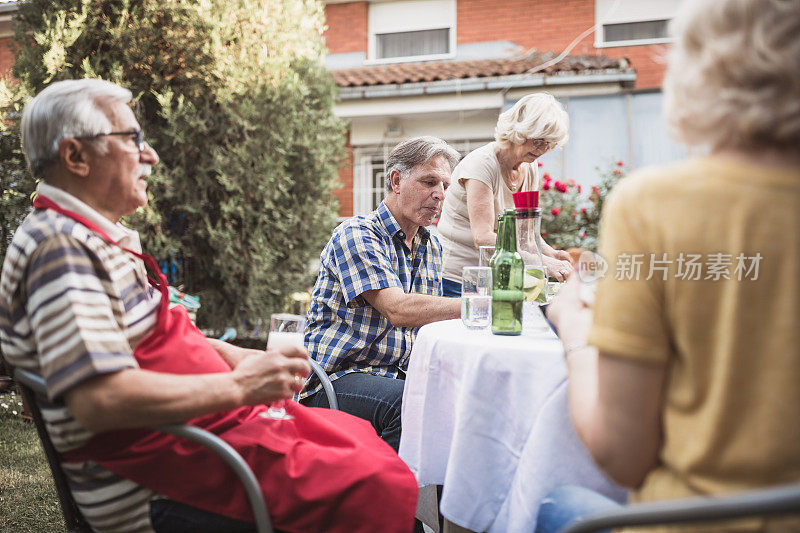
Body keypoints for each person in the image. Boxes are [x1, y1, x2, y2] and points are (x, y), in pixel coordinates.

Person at [0, 78, 419, 533]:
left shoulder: (89, 237)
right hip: (157, 480)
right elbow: (100, 400)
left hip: (197, 435)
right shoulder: (60, 248)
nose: (151, 155)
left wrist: (236, 356)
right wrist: (240, 387)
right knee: (368, 481)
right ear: (75, 156)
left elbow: (147, 337)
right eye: (131, 139)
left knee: (360, 444)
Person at [538, 0, 800, 530]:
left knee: (550, 504)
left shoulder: (655, 206)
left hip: (694, 519)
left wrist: (574, 330)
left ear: (702, 69)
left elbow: (623, 455)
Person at [300, 136, 462, 451]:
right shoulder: (357, 234)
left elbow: (430, 321)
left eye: (445, 185)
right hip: (335, 379)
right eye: (429, 181)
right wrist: (479, 305)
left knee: (464, 400)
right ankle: (385, 497)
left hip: (395, 376)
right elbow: (398, 309)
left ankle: (444, 502)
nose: (439, 194)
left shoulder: (432, 246)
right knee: (406, 406)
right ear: (396, 180)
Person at [437, 93, 573, 297]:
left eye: (549, 143)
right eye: (538, 141)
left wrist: (550, 253)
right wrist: (541, 261)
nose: (543, 149)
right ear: (520, 131)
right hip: (457, 279)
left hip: (494, 278)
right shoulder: (481, 165)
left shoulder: (529, 167)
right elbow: (483, 238)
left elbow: (526, 229)